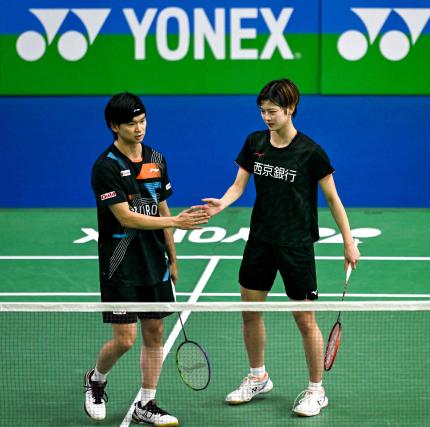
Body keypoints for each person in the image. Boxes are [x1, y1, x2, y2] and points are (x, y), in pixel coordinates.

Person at [202, 78, 360, 417]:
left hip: (296, 244)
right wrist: (222, 204)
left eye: (272, 111)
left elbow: (332, 198)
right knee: (250, 312)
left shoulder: (311, 152)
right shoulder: (255, 142)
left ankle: (317, 390)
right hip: (260, 239)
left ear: (290, 109)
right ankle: (258, 376)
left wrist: (349, 241)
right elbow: (238, 185)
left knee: (305, 320)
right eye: (262, 111)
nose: (266, 117)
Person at [85, 92, 209, 425]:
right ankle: (96, 379)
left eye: (143, 121)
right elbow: (126, 217)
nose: (139, 128)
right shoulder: (106, 167)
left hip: (154, 262)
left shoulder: (156, 158)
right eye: (131, 123)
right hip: (121, 264)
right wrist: (176, 223)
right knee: (125, 339)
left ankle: (146, 403)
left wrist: (173, 255)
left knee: (154, 334)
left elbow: (162, 205)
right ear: (114, 126)